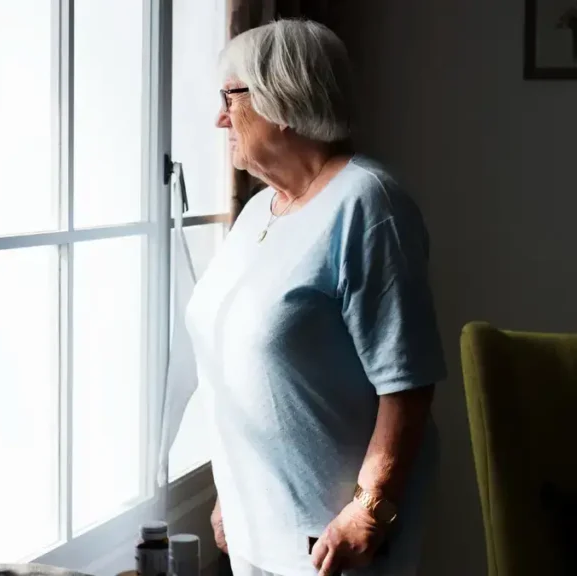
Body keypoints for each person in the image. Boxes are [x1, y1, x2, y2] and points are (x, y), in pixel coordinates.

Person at [187, 19, 446, 576]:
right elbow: (243, 373)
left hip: (333, 541)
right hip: (256, 530)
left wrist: (370, 509)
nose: (219, 118)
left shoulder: (368, 203)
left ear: (282, 99)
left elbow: (407, 384)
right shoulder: (258, 210)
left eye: (231, 97)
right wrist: (230, 491)